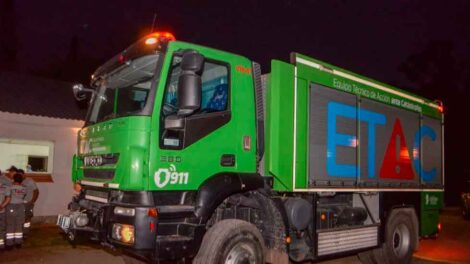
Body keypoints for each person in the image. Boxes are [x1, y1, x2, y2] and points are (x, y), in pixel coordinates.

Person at [6, 173, 26, 247]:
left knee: (10, 225)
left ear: (13, 179)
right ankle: (18, 243)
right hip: (21, 207)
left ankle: (9, 243)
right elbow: (23, 196)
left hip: (11, 206)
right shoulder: (24, 188)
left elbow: (7, 197)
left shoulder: (9, 187)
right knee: (19, 225)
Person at [18, 169, 39, 235]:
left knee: (27, 218)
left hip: (28, 203)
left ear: (24, 174)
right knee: (20, 218)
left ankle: (26, 232)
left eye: (20, 174)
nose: (19, 176)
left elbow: (36, 191)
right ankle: (20, 231)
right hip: (20, 203)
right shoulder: (17, 181)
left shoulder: (30, 180)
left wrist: (32, 201)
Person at [0, 177, 11, 249]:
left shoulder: (5, 187)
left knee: (2, 228)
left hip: (1, 211)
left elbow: (8, 198)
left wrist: (2, 206)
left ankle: (1, 245)